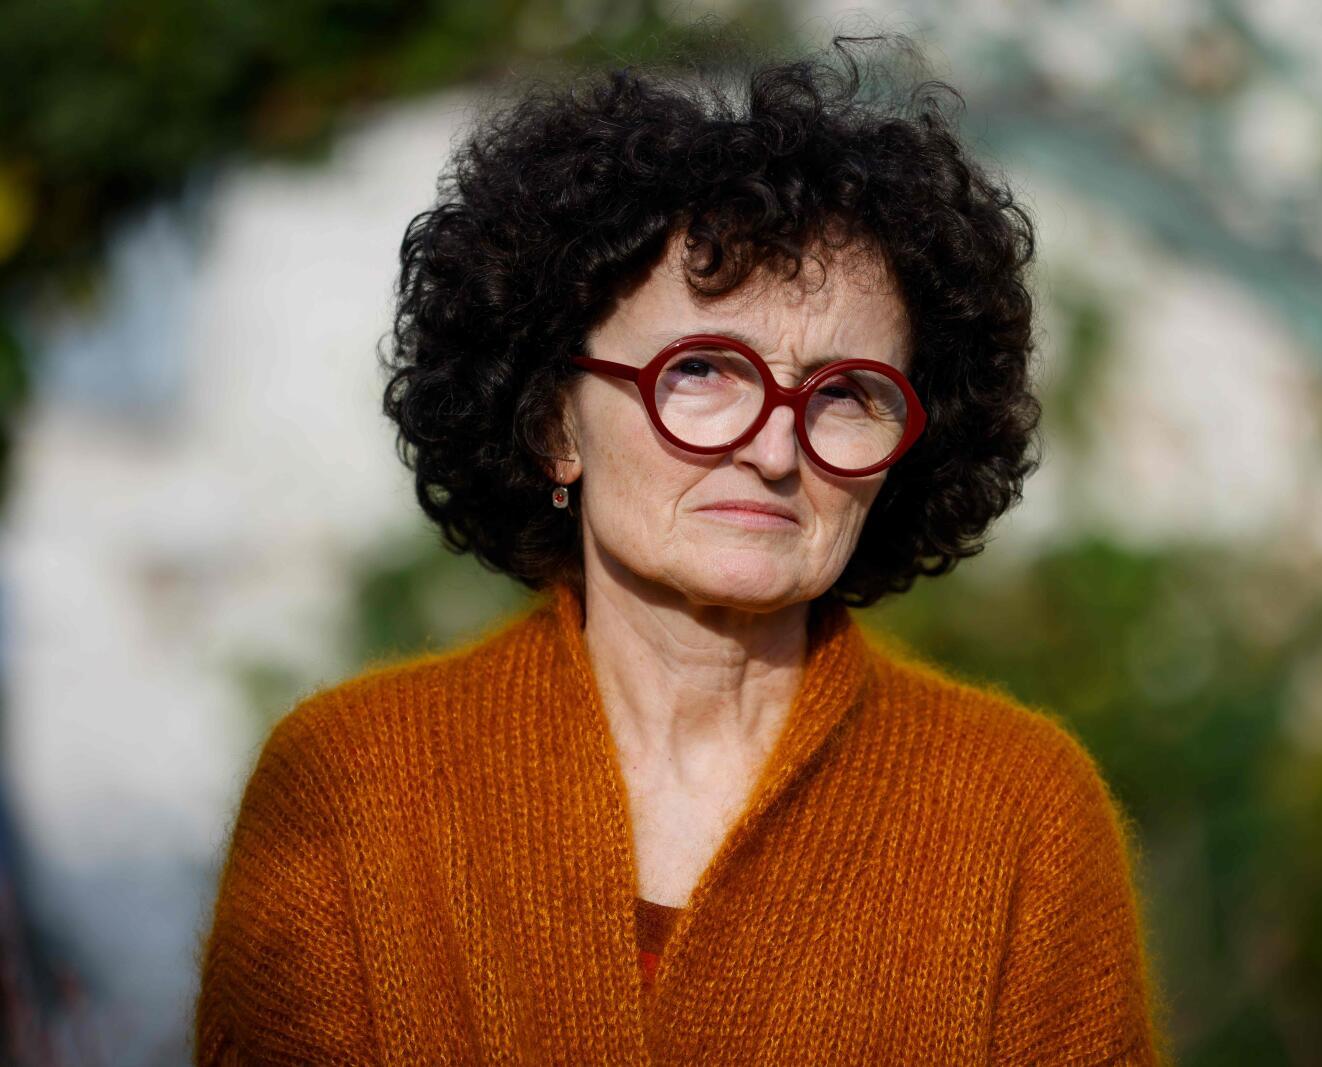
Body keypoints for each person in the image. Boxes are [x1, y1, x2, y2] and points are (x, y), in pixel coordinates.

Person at [192, 30, 1169, 1065]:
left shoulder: (1020, 813)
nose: (775, 446)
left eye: (845, 393)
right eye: (702, 371)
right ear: (552, 422)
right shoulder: (350, 785)